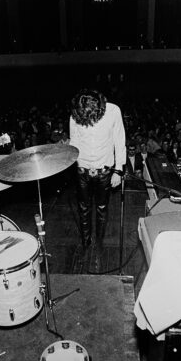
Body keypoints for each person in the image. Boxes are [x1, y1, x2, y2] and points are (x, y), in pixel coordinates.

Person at [69, 89, 126, 250]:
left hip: (105, 170)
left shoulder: (113, 111)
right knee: (83, 207)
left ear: (99, 108)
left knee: (102, 207)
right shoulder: (75, 114)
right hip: (82, 169)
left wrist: (118, 170)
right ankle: (86, 241)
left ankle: (99, 241)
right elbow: (75, 140)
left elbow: (119, 140)